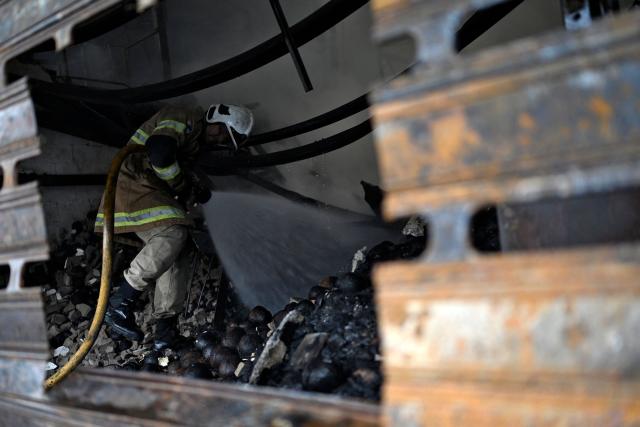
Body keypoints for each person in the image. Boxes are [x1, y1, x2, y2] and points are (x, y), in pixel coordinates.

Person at [95, 103, 253, 350]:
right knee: (173, 233)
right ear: (215, 117)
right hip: (134, 184)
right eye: (222, 132)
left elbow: (175, 166)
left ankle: (165, 332)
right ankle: (120, 301)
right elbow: (160, 151)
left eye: (225, 139)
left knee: (179, 248)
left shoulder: (195, 142)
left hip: (151, 188)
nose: (219, 139)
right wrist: (180, 185)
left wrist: (192, 187)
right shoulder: (184, 114)